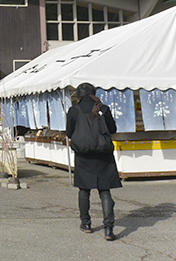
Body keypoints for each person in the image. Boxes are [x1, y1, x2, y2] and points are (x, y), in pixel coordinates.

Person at [66, 82, 121, 241]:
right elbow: (112, 130)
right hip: (103, 155)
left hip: (84, 155)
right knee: (104, 190)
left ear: (79, 95)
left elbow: (69, 132)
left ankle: (86, 224)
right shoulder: (103, 109)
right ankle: (109, 229)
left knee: (84, 190)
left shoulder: (74, 110)